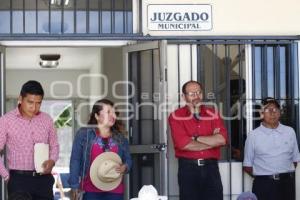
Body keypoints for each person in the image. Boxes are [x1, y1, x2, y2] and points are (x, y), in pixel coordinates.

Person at [168, 80, 228, 200]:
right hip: (188, 169)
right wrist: (212, 141)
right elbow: (183, 144)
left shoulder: (213, 114)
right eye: (192, 93)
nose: (197, 96)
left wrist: (195, 138)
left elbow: (222, 140)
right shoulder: (175, 116)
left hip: (211, 168)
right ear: (183, 96)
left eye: (199, 92)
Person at [0, 80, 59, 199]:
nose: (34, 107)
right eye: (30, 102)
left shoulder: (47, 120)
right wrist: (6, 176)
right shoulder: (6, 121)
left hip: (44, 180)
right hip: (18, 181)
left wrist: (52, 161)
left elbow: (54, 145)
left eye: (38, 103)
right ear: (20, 99)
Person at [69, 99, 132, 200]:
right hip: (89, 190)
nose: (113, 116)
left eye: (114, 112)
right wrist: (74, 185)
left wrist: (125, 166)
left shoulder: (121, 137)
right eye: (108, 112)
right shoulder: (83, 134)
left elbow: (128, 159)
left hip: (115, 189)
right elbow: (75, 160)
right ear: (97, 116)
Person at [243, 97, 300, 200]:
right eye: (268, 109)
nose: (272, 113)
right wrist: (265, 176)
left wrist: (282, 174)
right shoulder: (253, 135)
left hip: (287, 184)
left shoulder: (290, 132)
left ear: (279, 112)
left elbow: (295, 160)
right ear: (261, 113)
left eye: (275, 109)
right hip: (264, 185)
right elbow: (247, 166)